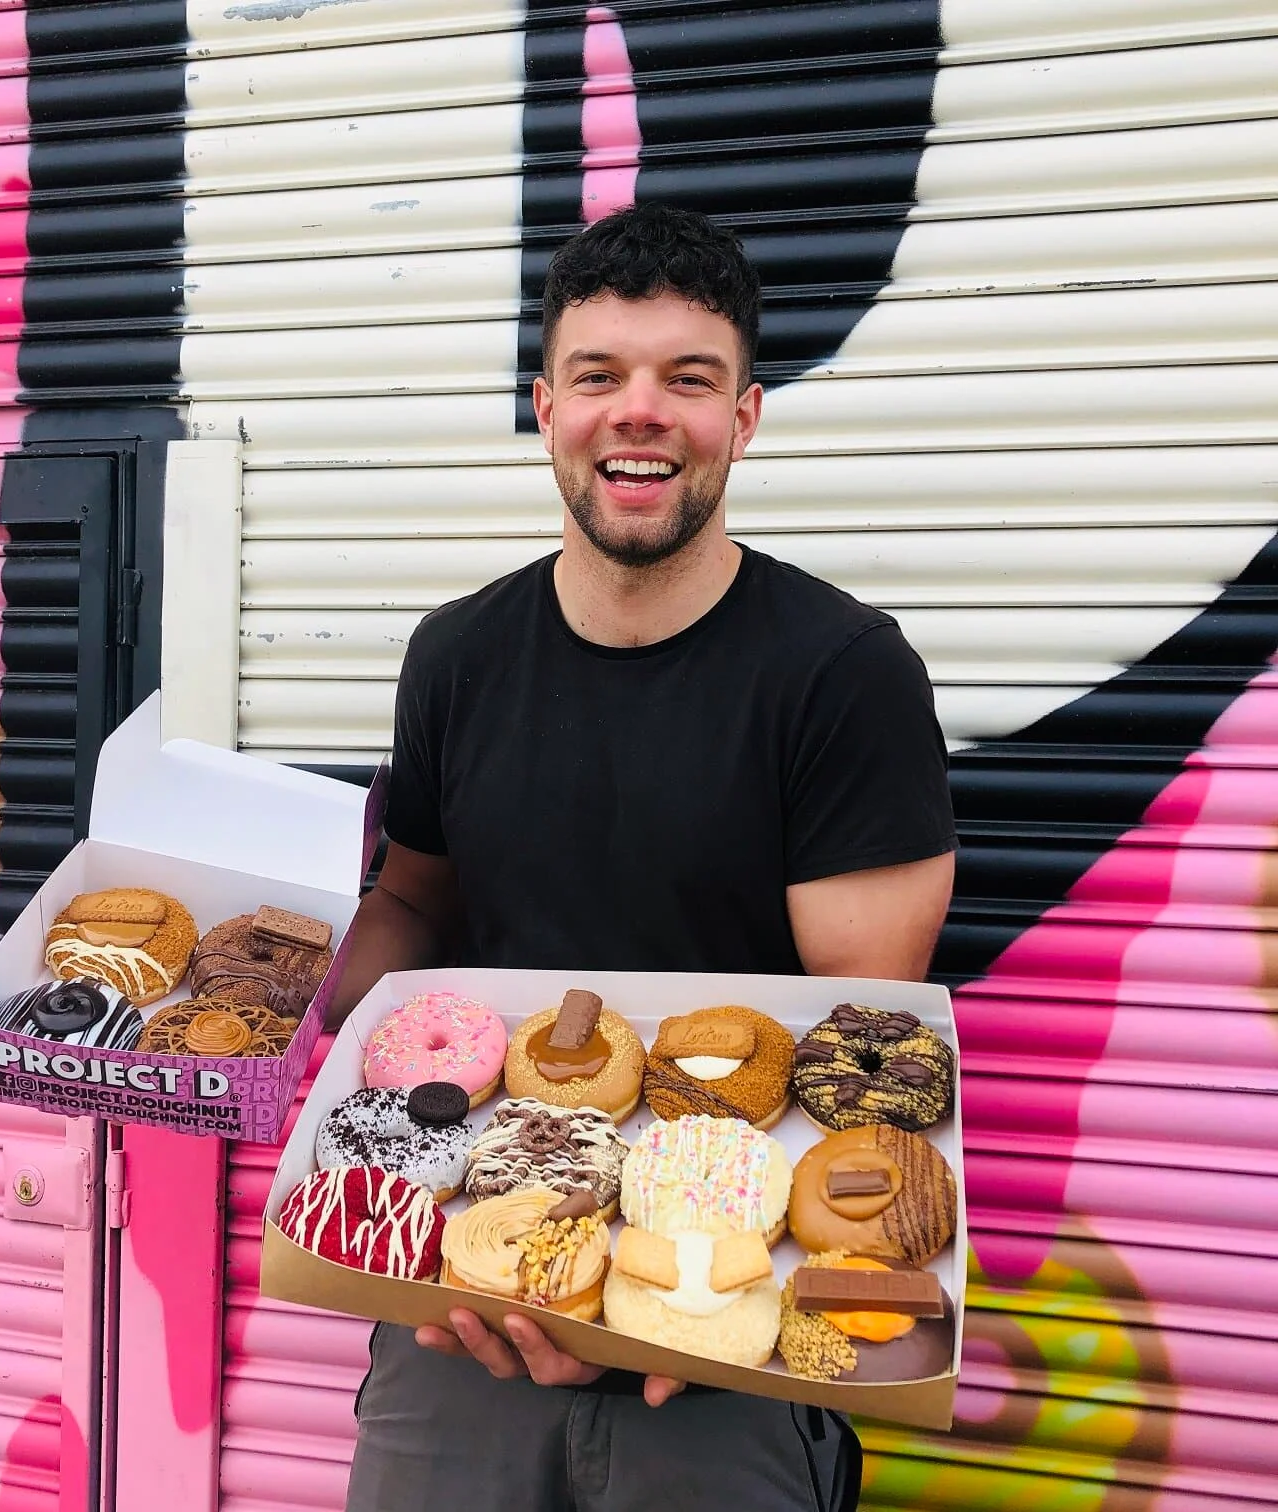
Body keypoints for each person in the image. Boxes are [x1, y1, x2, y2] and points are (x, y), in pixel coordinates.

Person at [328, 202, 957, 1512]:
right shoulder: (456, 657)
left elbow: (864, 1060)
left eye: (690, 379)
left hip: (722, 1366)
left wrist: (638, 1294)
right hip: (461, 1325)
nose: (642, 413)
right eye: (602, 375)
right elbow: (411, 903)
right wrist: (294, 1016)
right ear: (547, 404)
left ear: (745, 417)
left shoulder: (840, 676)